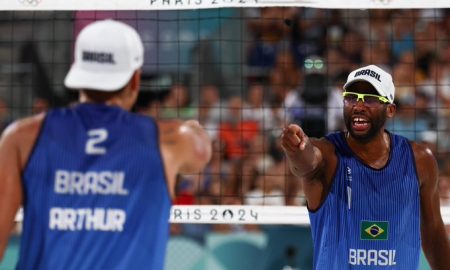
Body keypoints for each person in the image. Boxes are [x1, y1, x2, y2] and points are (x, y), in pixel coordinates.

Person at [0, 19, 212, 269]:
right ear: (135, 79)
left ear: (77, 73)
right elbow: (201, 149)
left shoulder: (21, 137)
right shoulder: (170, 140)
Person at [280, 64, 450, 269]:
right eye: (351, 97)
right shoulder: (328, 155)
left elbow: (433, 231)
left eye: (369, 99)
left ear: (390, 109)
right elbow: (306, 164)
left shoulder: (420, 160)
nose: (358, 106)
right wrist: (296, 150)